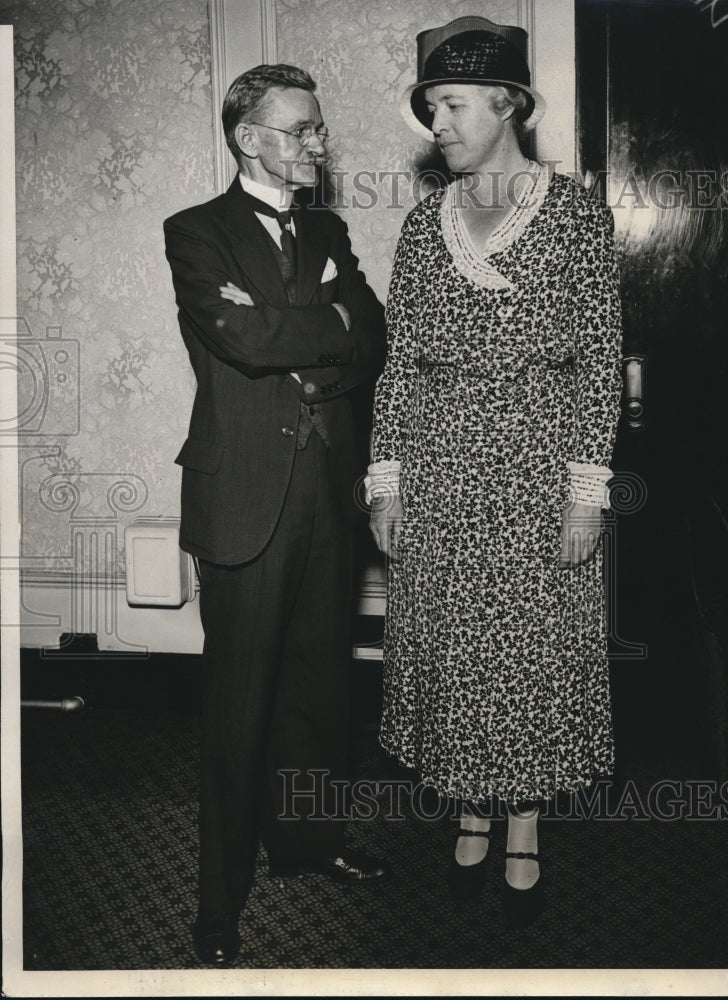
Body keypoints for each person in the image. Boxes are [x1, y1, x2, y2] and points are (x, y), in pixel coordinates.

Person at [368, 18, 622, 927]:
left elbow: (598, 360)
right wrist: (387, 478)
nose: (437, 122)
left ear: (508, 104)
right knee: (454, 648)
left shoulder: (575, 214)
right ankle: (469, 813)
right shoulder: (422, 222)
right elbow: (399, 363)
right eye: (433, 105)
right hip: (439, 467)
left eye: (453, 104)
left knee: (530, 653)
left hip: (538, 467)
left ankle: (524, 824)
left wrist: (587, 494)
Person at [164, 63, 389, 966]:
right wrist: (323, 318)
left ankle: (307, 843)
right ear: (249, 137)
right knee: (238, 708)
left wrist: (310, 331)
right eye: (300, 130)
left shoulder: (330, 226)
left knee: (318, 691)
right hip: (243, 499)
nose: (318, 144)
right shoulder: (196, 232)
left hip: (326, 496)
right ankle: (218, 906)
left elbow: (370, 338)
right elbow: (239, 340)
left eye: (318, 128)